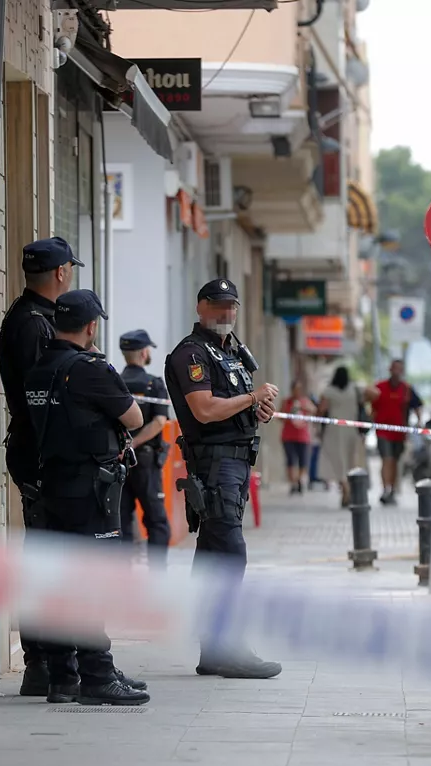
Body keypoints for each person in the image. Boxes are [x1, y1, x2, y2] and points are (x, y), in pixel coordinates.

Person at [23, 289, 150, 705]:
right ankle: (97, 673)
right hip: (89, 490)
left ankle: (64, 677)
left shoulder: (40, 367)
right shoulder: (90, 369)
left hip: (48, 487)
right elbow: (135, 417)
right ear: (91, 326)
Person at [165, 278, 282, 680]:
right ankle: (227, 647)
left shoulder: (230, 351)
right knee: (230, 554)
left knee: (214, 555)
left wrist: (257, 410)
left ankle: (215, 649)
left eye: (231, 306)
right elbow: (204, 410)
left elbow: (235, 407)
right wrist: (251, 398)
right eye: (217, 305)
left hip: (234, 464)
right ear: (200, 307)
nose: (225, 312)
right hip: (214, 465)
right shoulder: (191, 354)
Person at [0, 236, 79, 698]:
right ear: (62, 274)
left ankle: (51, 661)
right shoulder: (33, 325)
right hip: (42, 454)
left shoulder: (36, 318)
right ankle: (44, 664)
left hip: (43, 451)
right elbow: (43, 400)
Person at [116, 329, 171, 569]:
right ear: (143, 352)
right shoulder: (154, 384)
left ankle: (126, 578)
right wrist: (134, 443)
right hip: (145, 463)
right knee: (157, 522)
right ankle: (156, 576)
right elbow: (159, 422)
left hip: (118, 463)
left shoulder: (115, 382)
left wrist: (123, 446)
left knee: (123, 520)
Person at [366, 359, 424, 505]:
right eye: (394, 368)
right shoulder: (379, 387)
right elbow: (369, 401)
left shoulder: (407, 389)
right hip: (383, 431)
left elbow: (418, 406)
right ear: (390, 369)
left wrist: (418, 421)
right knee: (387, 459)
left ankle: (392, 488)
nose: (397, 372)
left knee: (395, 461)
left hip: (400, 433)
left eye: (400, 369)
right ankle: (386, 489)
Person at [317, 366, 367, 508]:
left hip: (334, 430)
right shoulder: (354, 389)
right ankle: (348, 488)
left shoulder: (329, 391)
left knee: (338, 460)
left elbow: (321, 410)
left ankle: (345, 488)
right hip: (352, 430)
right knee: (351, 460)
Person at [280, 379, 316, 494]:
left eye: (299, 389)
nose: (297, 392)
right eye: (295, 389)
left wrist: (303, 408)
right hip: (288, 436)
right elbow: (280, 416)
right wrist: (289, 411)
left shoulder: (305, 402)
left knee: (303, 461)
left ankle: (299, 480)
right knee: (291, 460)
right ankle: (293, 483)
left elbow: (314, 411)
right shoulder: (286, 402)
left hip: (303, 437)